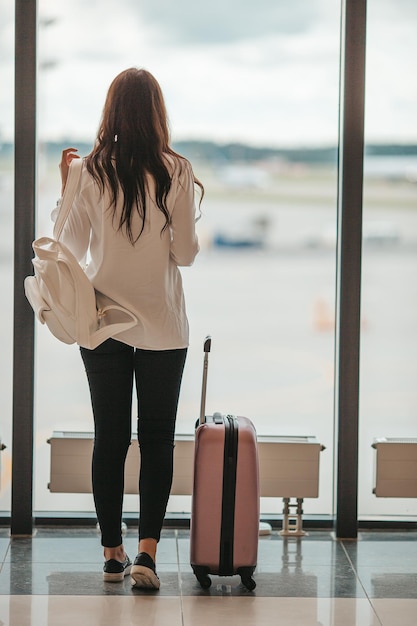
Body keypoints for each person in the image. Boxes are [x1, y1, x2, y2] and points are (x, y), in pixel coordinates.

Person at [58, 68, 203, 589]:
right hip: (163, 325)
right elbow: (184, 255)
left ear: (111, 110)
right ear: (157, 111)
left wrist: (67, 187)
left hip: (102, 323)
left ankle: (112, 553)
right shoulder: (176, 170)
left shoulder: (89, 170)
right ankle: (147, 553)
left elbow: (67, 250)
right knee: (158, 438)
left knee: (110, 439)